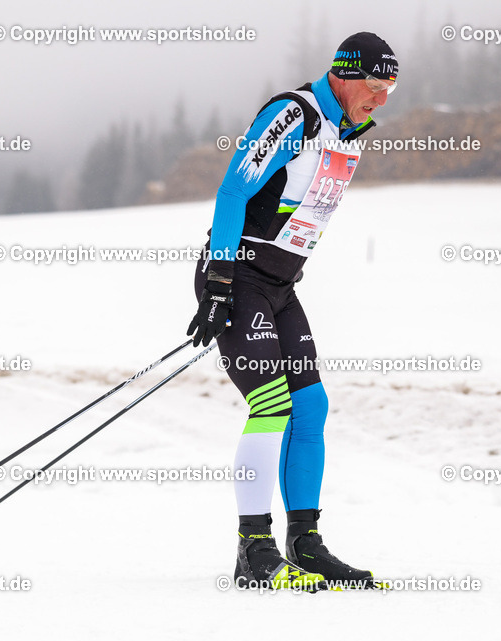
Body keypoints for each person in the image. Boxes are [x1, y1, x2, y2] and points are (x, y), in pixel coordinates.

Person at [187, 32, 398, 590]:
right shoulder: (294, 114)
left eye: (390, 89)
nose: (381, 99)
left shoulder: (346, 130)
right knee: (272, 404)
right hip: (238, 277)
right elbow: (234, 193)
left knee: (312, 407)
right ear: (344, 75)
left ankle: (304, 543)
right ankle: (252, 550)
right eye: (374, 87)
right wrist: (218, 283)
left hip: (279, 285)